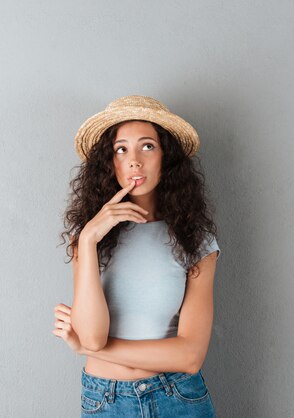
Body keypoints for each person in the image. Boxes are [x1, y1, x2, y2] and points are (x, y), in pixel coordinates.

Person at [52, 95, 221, 417]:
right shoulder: (88, 241)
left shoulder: (196, 242)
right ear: (109, 162)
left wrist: (86, 349)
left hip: (178, 398)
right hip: (106, 401)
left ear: (166, 158)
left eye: (147, 146)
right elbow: (92, 334)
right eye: (121, 149)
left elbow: (189, 356)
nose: (134, 161)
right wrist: (87, 239)